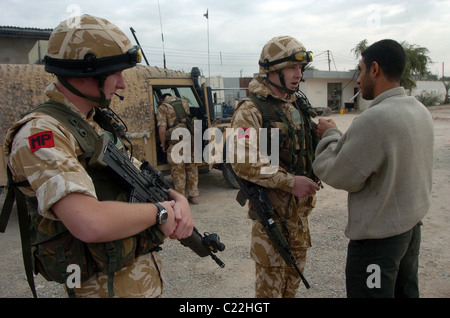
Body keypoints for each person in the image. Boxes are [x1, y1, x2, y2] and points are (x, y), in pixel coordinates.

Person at [2, 14, 193, 298]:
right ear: (86, 72)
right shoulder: (42, 133)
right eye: (115, 74)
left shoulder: (91, 122)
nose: (122, 85)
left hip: (133, 278)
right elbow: (89, 222)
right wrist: (160, 212)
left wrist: (177, 197)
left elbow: (134, 170)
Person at [312, 39, 434, 297]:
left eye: (361, 70)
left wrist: (331, 135)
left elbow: (339, 174)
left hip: (378, 246)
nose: (358, 79)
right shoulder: (419, 110)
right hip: (410, 231)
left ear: (375, 69)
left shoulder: (375, 118)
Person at [230, 35, 321, 298]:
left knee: (290, 291)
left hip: (299, 221)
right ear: (272, 70)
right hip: (272, 221)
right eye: (292, 67)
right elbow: (243, 162)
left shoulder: (297, 106)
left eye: (300, 68)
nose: (298, 74)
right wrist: (290, 182)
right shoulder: (251, 110)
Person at [156, 93, 200, 205]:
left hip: (176, 142)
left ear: (162, 99)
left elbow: (162, 128)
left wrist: (162, 144)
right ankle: (194, 196)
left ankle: (181, 198)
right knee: (192, 168)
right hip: (190, 139)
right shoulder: (184, 102)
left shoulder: (163, 107)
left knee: (178, 170)